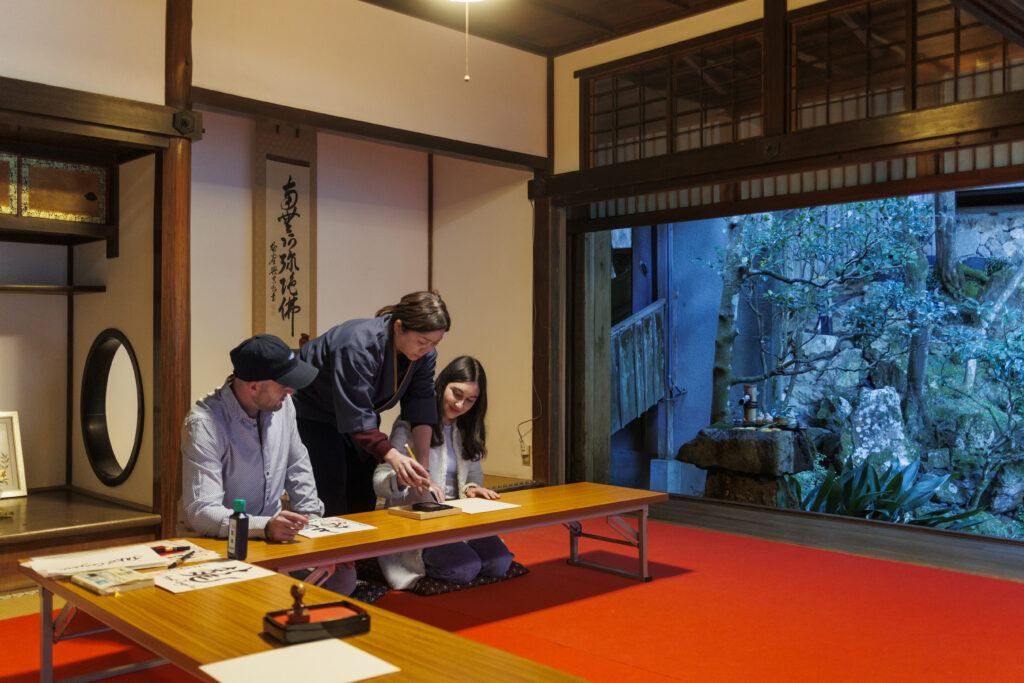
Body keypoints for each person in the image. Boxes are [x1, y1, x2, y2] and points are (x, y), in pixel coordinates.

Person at [179, 334, 355, 594]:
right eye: (284, 384)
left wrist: (314, 528)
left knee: (343, 578)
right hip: (220, 543)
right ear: (253, 387)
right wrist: (264, 527)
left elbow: (297, 463)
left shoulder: (283, 406)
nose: (291, 390)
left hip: (271, 541)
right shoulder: (204, 423)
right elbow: (202, 512)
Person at [293, 291, 449, 515]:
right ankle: (329, 548)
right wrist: (394, 456)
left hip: (360, 416)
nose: (427, 349)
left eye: (435, 343)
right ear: (398, 327)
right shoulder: (358, 344)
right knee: (330, 490)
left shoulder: (424, 354)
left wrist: (423, 470)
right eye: (422, 341)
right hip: (314, 412)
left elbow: (421, 404)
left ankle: (363, 550)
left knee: (363, 493)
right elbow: (354, 411)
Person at [373, 356, 514, 589]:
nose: (460, 405)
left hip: (458, 518)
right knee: (464, 568)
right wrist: (400, 477)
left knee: (499, 562)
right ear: (442, 385)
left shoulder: (467, 427)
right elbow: (379, 481)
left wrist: (472, 488)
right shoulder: (411, 424)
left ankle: (457, 551)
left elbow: (473, 475)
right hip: (422, 522)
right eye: (456, 394)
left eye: (470, 400)